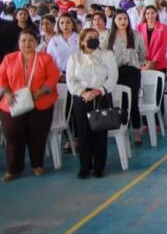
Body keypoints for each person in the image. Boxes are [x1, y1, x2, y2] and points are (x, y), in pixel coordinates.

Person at [0, 29, 61, 181]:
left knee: (37, 135)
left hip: (40, 102)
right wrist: (6, 93)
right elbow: (1, 78)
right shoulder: (9, 58)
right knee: (13, 135)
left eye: (30, 40)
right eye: (23, 40)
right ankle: (13, 169)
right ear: (19, 43)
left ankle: (37, 165)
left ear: (36, 42)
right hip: (13, 103)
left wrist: (41, 92)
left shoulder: (45, 58)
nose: (27, 43)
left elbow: (53, 76)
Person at [66, 27, 118, 179]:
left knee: (99, 132)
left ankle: (99, 166)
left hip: (101, 95)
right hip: (81, 97)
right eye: (90, 37)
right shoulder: (75, 57)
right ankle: (85, 165)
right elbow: (70, 80)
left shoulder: (107, 55)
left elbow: (113, 77)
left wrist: (98, 91)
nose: (94, 39)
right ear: (82, 41)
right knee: (83, 133)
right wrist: (82, 92)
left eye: (96, 36)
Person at [105, 10, 147, 145]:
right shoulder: (109, 35)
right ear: (114, 21)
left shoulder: (135, 35)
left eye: (125, 19)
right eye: (119, 19)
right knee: (119, 101)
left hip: (133, 71)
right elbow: (103, 52)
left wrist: (137, 62)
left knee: (133, 101)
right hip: (115, 72)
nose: (123, 21)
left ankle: (136, 131)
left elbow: (142, 53)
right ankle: (122, 128)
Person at [137, 6, 167, 72]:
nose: (150, 15)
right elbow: (137, 46)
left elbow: (163, 46)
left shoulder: (163, 27)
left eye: (152, 13)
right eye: (147, 13)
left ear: (156, 14)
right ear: (145, 15)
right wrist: (146, 61)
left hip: (159, 63)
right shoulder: (139, 27)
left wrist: (153, 62)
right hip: (143, 63)